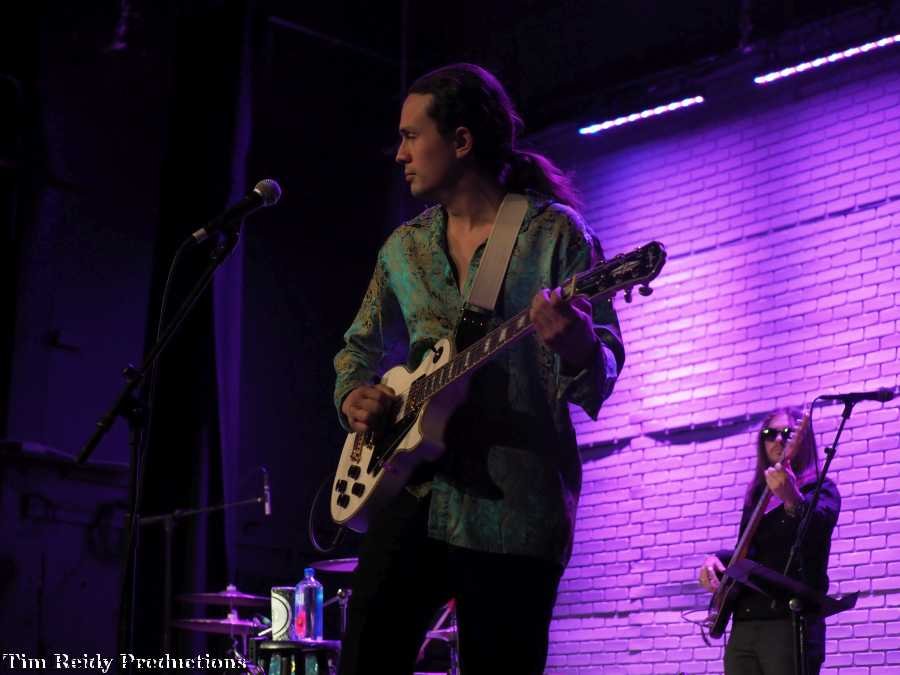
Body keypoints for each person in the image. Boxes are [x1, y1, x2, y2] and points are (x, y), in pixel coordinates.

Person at [332, 63, 625, 675]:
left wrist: (575, 346)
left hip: (514, 506)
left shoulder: (555, 235)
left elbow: (602, 368)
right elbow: (359, 346)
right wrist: (354, 393)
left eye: (412, 136)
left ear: (461, 141)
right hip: (414, 490)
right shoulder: (403, 249)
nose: (399, 154)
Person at [698, 407, 841, 675]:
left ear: (802, 439)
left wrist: (792, 499)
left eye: (787, 433)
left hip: (789, 623)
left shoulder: (821, 489)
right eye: (769, 433)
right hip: (744, 623)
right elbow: (750, 554)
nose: (777, 439)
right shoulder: (756, 496)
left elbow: (817, 534)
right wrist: (715, 560)